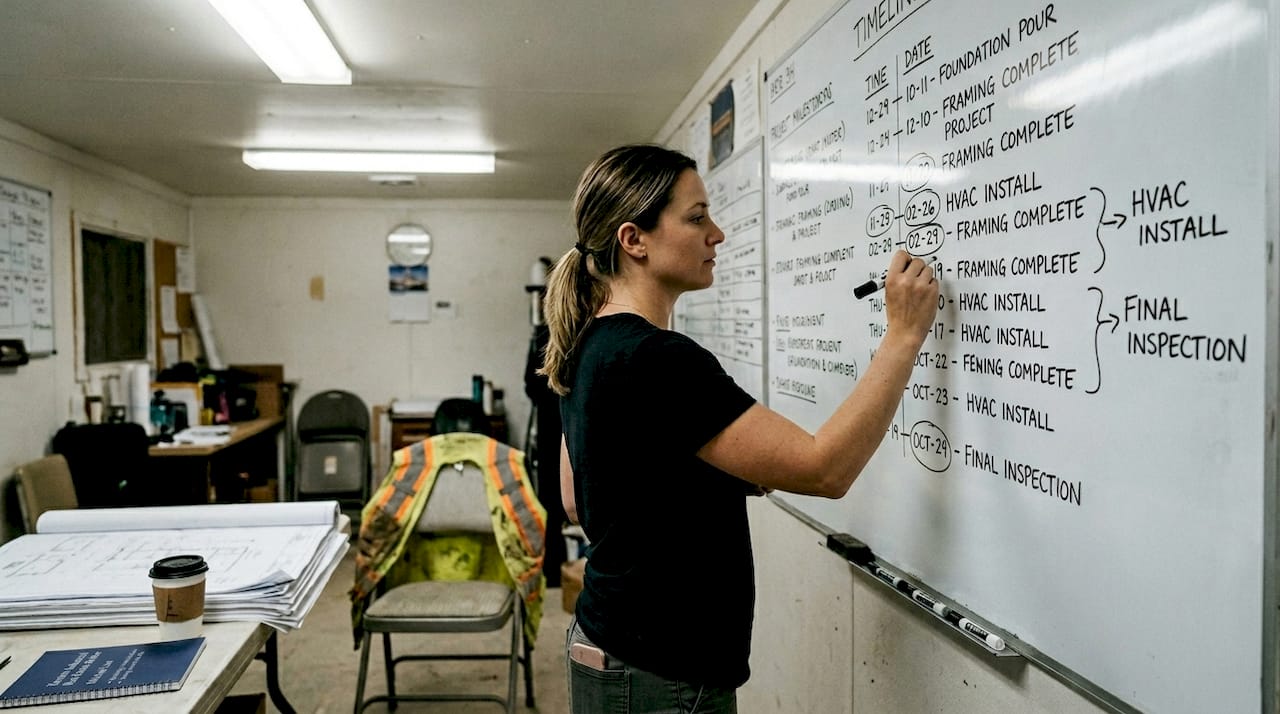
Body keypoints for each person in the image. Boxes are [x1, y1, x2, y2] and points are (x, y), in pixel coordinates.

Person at [539, 144, 939, 713]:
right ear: (634, 240)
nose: (717, 234)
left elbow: (579, 499)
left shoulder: (588, 343)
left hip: (611, 646)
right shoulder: (658, 358)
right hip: (660, 671)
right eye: (697, 217)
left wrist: (708, 475)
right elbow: (825, 470)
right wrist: (902, 336)